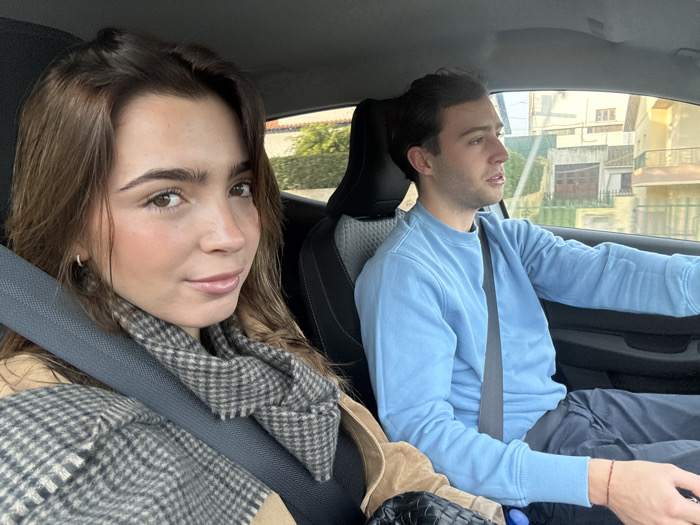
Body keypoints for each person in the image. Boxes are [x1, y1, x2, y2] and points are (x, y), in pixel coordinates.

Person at [0, 31, 506, 524]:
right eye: (165, 197)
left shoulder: (253, 337)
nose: (231, 235)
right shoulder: (53, 434)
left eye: (239, 187)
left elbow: (387, 465)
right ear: (72, 229)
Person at [354, 69, 700, 525]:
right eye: (477, 139)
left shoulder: (503, 237)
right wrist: (602, 483)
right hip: (530, 468)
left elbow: (606, 271)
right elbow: (423, 437)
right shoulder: (404, 273)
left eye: (497, 133)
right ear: (424, 160)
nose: (501, 152)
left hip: (574, 411)